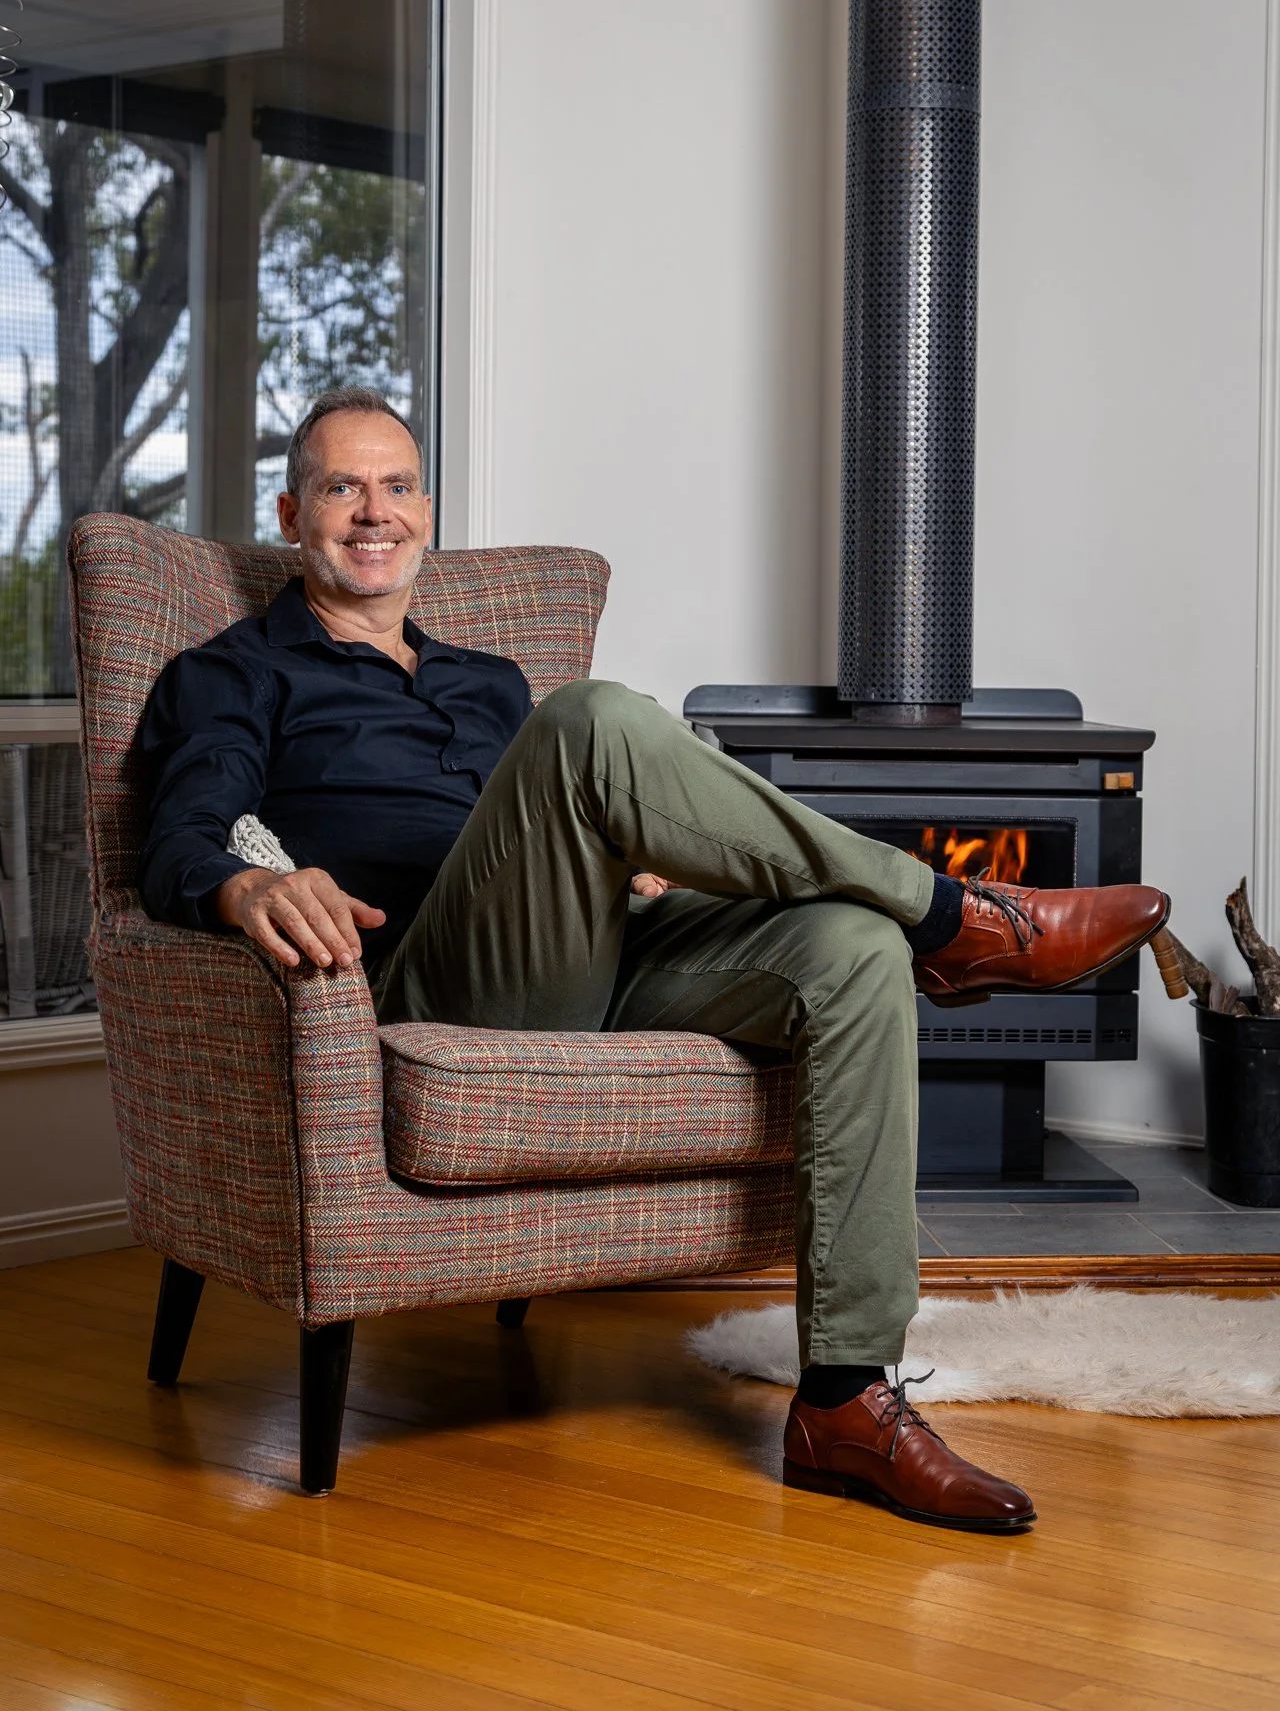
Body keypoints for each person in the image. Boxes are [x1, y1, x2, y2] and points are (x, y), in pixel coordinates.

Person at [138, 386, 1170, 1534]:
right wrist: (249, 882)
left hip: (592, 948)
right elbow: (180, 837)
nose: (371, 512)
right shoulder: (232, 671)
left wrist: (637, 853)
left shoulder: (483, 679)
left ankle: (844, 1399)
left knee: (851, 947)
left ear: (427, 510)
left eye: (395, 486)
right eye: (340, 487)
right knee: (593, 719)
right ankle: (960, 918)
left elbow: (548, 828)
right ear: (293, 512)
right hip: (435, 976)